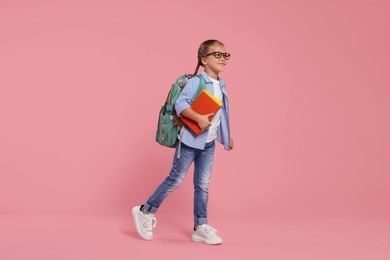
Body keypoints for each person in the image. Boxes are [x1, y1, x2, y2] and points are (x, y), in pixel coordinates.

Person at [132, 39, 234, 245]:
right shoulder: (197, 82)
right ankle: (145, 211)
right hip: (189, 140)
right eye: (217, 54)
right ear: (204, 60)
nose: (222, 58)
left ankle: (200, 226)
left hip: (209, 143)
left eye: (225, 55)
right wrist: (198, 118)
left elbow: (221, 113)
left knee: (203, 186)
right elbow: (180, 105)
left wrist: (226, 135)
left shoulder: (221, 83)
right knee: (175, 180)